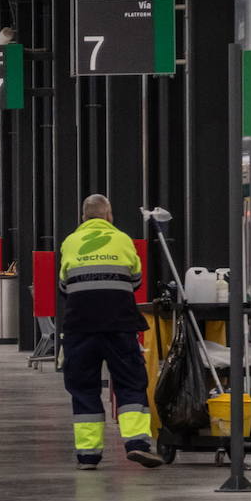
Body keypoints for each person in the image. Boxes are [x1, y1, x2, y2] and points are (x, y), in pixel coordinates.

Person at [59, 194, 164, 469]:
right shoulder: (123, 240)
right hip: (119, 324)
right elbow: (136, 280)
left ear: (84, 217)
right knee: (130, 382)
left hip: (80, 327)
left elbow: (63, 286)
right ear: (109, 216)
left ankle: (88, 456)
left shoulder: (70, 242)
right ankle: (137, 444)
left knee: (83, 387)